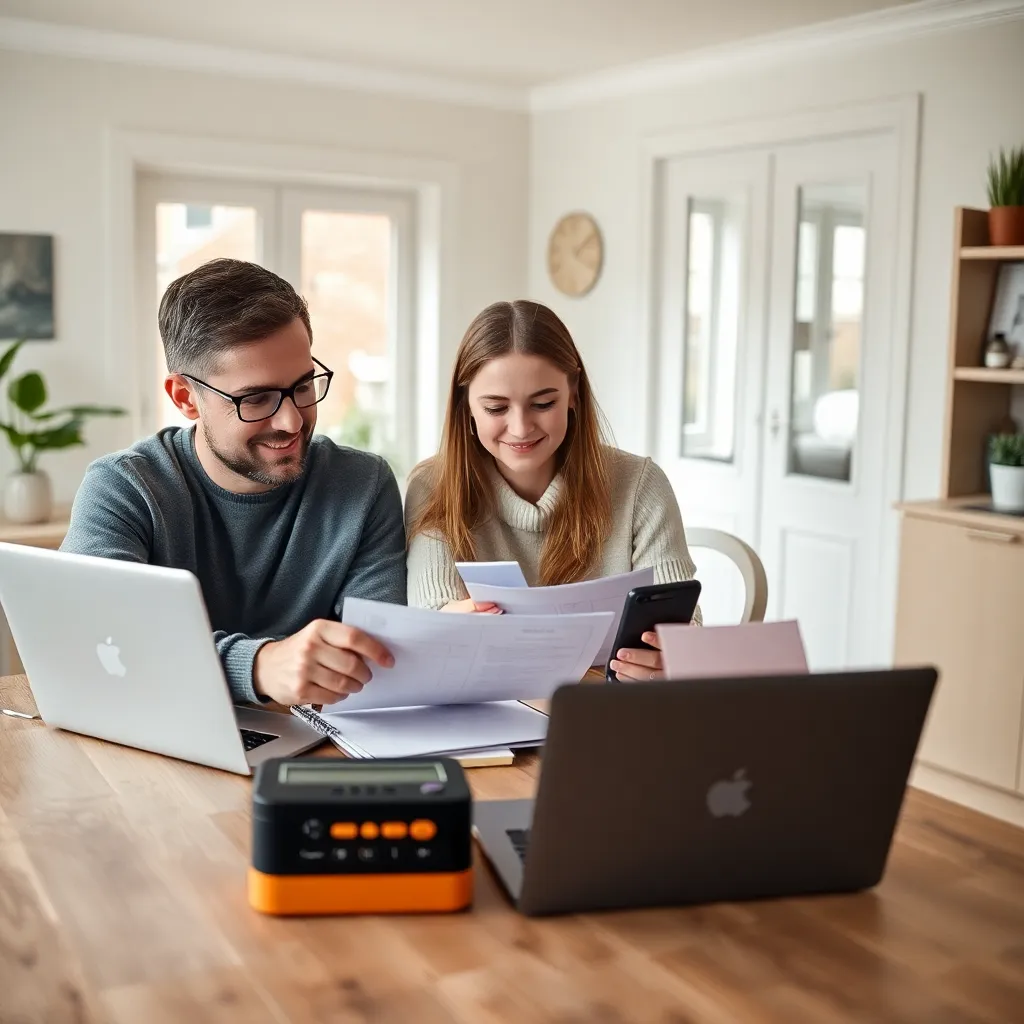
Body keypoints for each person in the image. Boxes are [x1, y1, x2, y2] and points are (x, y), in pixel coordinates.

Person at [61, 258, 404, 708]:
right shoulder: (124, 488)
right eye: (256, 399)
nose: (291, 420)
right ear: (185, 398)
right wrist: (257, 665)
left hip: (313, 738)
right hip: (158, 731)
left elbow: (374, 655)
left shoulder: (362, 484)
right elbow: (90, 639)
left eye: (302, 386)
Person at [405, 299, 701, 682]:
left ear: (574, 393)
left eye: (543, 403)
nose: (521, 427)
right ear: (466, 407)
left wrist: (672, 654)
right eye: (496, 408)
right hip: (490, 717)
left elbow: (683, 624)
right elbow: (430, 615)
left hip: (611, 714)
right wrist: (444, 627)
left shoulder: (640, 485)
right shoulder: (433, 487)